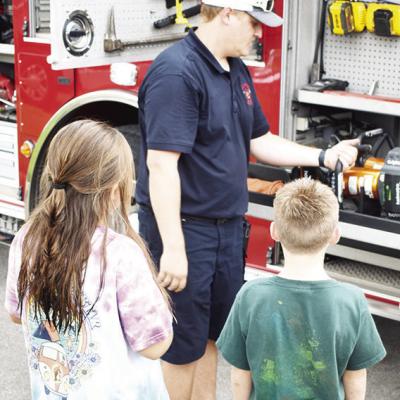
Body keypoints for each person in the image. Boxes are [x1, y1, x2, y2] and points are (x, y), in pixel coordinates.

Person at [135, 1, 359, 399]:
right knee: (180, 346)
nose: (260, 34)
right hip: (187, 232)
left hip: (225, 231)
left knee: (211, 339)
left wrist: (321, 157)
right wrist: (173, 248)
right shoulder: (177, 73)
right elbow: (162, 165)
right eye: (255, 24)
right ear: (227, 13)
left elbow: (259, 140)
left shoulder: (233, 70)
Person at [5, 120, 173, 400]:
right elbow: (153, 346)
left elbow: (15, 312)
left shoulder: (26, 239)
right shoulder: (120, 254)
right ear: (111, 189)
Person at [217, 178, 386, 399]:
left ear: (274, 231)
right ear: (335, 234)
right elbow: (355, 375)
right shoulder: (351, 301)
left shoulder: (250, 296)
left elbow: (241, 371)